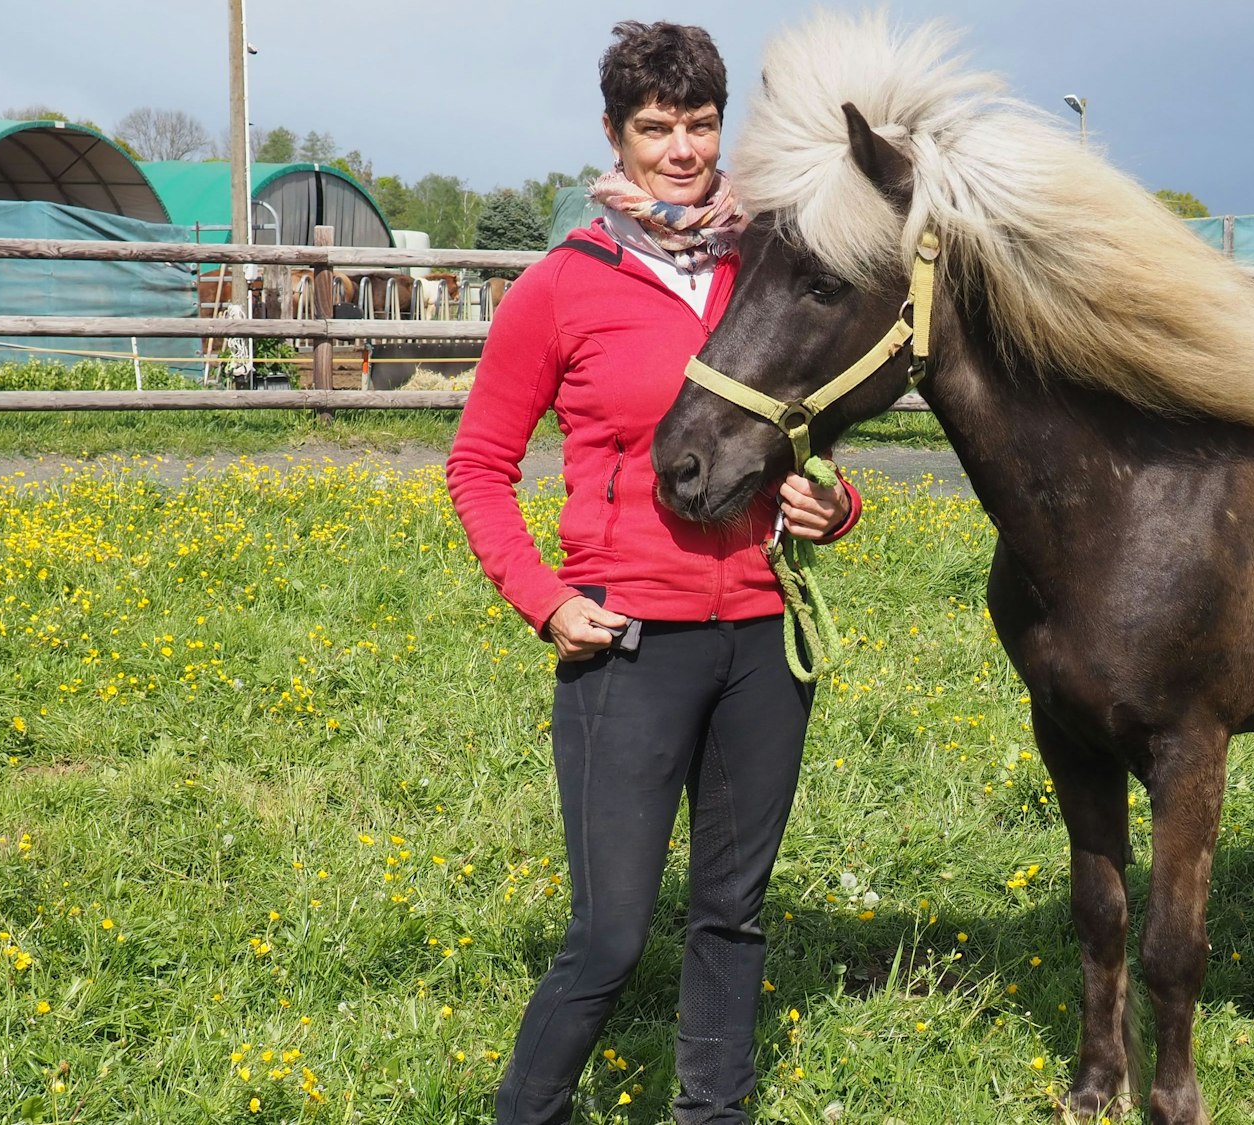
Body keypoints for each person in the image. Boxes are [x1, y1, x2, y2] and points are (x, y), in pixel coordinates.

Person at [444, 20, 860, 1125]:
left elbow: (808, 438)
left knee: (732, 912)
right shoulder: (562, 287)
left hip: (761, 645)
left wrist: (832, 505)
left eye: (700, 124)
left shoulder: (764, 267)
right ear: (614, 136)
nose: (680, 149)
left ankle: (710, 1113)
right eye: (654, 128)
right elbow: (479, 467)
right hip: (626, 644)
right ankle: (525, 1112)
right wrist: (543, 600)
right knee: (611, 934)